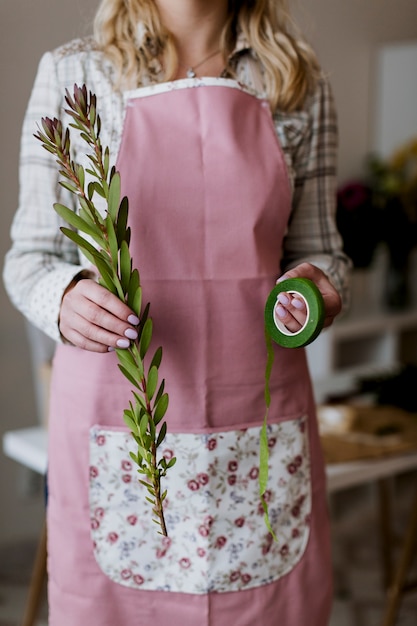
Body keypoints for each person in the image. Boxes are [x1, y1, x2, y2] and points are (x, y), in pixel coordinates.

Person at [3, 1, 351, 624]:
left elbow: (321, 249)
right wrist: (64, 297)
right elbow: (29, 257)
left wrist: (320, 286)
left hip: (259, 418)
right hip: (119, 418)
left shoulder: (296, 81)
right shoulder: (74, 73)